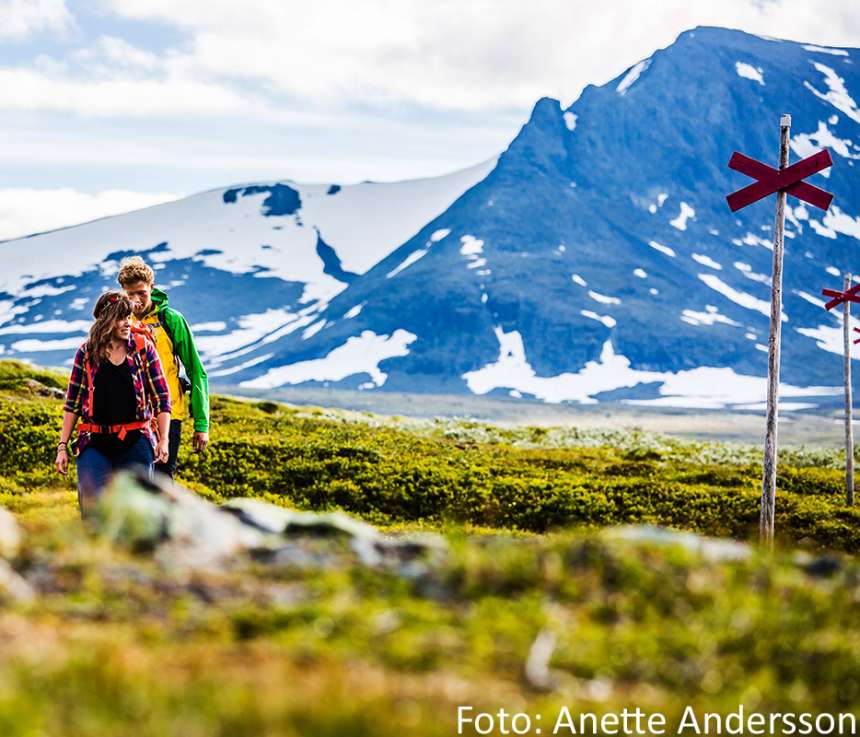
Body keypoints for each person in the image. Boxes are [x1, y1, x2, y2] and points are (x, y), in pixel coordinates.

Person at [55, 291, 172, 516]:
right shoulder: (86, 352)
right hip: (94, 442)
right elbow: (72, 404)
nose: (127, 323)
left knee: (137, 514)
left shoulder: (143, 349)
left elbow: (162, 398)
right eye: (121, 318)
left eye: (128, 317)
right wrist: (62, 446)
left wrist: (164, 440)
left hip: (136, 441)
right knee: (92, 511)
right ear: (106, 320)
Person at [117, 256, 210, 478]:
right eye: (130, 294)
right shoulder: (117, 320)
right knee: (130, 480)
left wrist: (201, 424)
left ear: (152, 287)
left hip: (167, 414)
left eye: (142, 292)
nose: (136, 300)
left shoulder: (171, 320)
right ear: (122, 291)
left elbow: (196, 371)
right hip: (127, 415)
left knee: (161, 480)